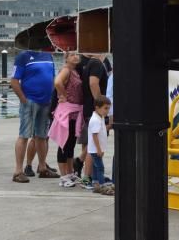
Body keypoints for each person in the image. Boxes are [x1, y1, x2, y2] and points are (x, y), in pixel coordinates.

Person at [12, 48, 57, 183]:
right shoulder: (23, 56)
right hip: (30, 100)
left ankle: (42, 167)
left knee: (42, 136)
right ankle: (18, 171)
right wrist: (23, 99)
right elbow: (14, 81)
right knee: (24, 135)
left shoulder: (49, 56)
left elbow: (53, 77)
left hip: (46, 101)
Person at [50, 52, 84, 188]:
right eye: (72, 55)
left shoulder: (75, 71)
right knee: (64, 144)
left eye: (77, 55)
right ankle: (63, 176)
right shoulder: (66, 70)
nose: (75, 57)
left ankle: (69, 173)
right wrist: (63, 94)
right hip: (68, 111)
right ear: (66, 58)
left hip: (75, 112)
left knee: (70, 144)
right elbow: (57, 82)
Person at [75, 53, 109, 184]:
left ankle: (88, 172)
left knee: (91, 143)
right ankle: (88, 176)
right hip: (94, 109)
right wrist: (101, 103)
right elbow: (93, 83)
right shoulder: (96, 64)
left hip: (89, 108)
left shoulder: (90, 63)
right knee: (94, 145)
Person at [85, 94, 113, 195]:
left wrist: (108, 127)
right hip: (96, 149)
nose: (107, 111)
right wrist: (99, 149)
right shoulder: (95, 120)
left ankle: (95, 183)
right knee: (100, 167)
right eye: (105, 108)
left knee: (96, 167)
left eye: (108, 108)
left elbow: (100, 130)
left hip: (95, 149)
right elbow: (95, 135)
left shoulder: (99, 117)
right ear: (97, 107)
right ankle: (102, 185)